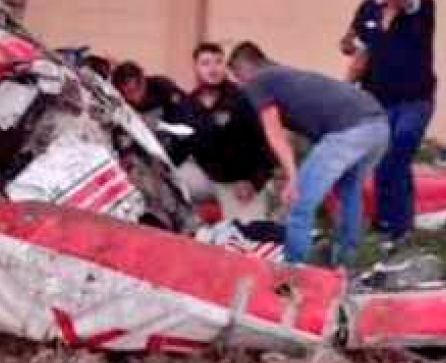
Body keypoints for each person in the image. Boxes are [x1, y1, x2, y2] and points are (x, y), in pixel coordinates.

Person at [228, 41, 389, 267]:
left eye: (237, 78)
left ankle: (293, 274)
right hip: (378, 127)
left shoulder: (259, 80)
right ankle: (346, 266)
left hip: (349, 130)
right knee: (348, 192)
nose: (241, 87)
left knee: (300, 202)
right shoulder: (286, 77)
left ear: (244, 69)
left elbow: (274, 134)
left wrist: (294, 179)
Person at [341, 0, 437, 246]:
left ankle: (395, 229)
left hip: (414, 100)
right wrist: (345, 84)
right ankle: (394, 227)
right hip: (377, 100)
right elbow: (355, 50)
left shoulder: (420, 4)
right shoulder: (367, 10)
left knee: (397, 154)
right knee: (386, 161)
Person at [178, 42, 275, 222]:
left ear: (225, 66)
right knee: (171, 180)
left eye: (218, 62)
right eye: (205, 63)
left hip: (239, 182)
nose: (212, 69)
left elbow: (265, 142)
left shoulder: (243, 98)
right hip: (207, 177)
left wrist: (254, 181)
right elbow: (181, 145)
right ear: (195, 68)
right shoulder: (188, 104)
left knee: (248, 235)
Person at [111, 60, 195, 163]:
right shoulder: (121, 103)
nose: (136, 97)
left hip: (179, 150)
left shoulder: (162, 86)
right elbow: (120, 136)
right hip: (149, 157)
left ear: (143, 78)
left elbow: (187, 115)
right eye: (129, 92)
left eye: (138, 88)